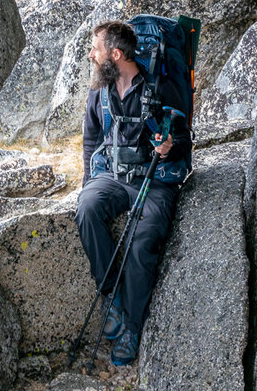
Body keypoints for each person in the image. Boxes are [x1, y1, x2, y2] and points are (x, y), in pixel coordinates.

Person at [75, 19, 190, 365]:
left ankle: (132, 327)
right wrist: (87, 183)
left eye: (96, 49)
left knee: (142, 241)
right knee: (87, 207)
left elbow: (184, 139)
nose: (91, 55)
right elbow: (92, 139)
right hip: (112, 177)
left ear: (116, 54)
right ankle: (110, 296)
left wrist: (170, 147)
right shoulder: (100, 89)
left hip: (154, 181)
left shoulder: (161, 85)